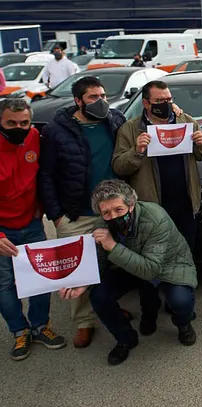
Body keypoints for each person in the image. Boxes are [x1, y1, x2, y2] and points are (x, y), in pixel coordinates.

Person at [39, 76, 128, 348]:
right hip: (76, 214)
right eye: (93, 97)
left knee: (112, 264)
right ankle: (84, 322)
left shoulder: (115, 120)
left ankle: (109, 308)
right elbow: (46, 175)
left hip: (112, 210)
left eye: (103, 96)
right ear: (78, 100)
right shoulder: (56, 130)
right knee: (77, 269)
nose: (101, 101)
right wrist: (57, 215)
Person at [84, 180, 197, 365]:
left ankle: (183, 324)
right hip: (128, 265)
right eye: (106, 212)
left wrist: (112, 245)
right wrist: (83, 284)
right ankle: (126, 339)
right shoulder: (101, 225)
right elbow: (99, 262)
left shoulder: (155, 217)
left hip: (168, 265)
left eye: (118, 209)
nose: (112, 216)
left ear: (131, 205)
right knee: (98, 295)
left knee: (181, 300)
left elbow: (150, 269)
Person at [0, 98, 67, 361]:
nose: (19, 128)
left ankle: (40, 326)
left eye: (24, 123)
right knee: (4, 285)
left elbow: (44, 175)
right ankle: (20, 330)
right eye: (11, 123)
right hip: (2, 230)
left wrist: (42, 208)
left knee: (41, 278)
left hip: (31, 223)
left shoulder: (36, 138)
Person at [112, 81, 202, 250]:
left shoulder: (185, 120)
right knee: (156, 255)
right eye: (159, 101)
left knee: (185, 253)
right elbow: (119, 167)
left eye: (169, 99)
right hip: (152, 209)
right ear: (146, 103)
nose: (166, 104)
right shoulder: (130, 129)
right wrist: (137, 151)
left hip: (185, 206)